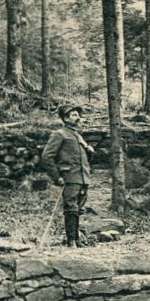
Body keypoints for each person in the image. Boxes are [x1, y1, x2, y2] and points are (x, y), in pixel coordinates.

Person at [41, 105, 96, 247]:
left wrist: (89, 150)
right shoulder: (59, 134)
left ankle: (77, 239)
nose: (78, 118)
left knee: (78, 208)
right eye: (74, 115)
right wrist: (57, 176)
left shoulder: (78, 136)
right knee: (71, 208)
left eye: (78, 115)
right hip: (69, 177)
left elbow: (83, 158)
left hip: (82, 177)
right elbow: (47, 157)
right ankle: (71, 241)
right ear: (65, 118)